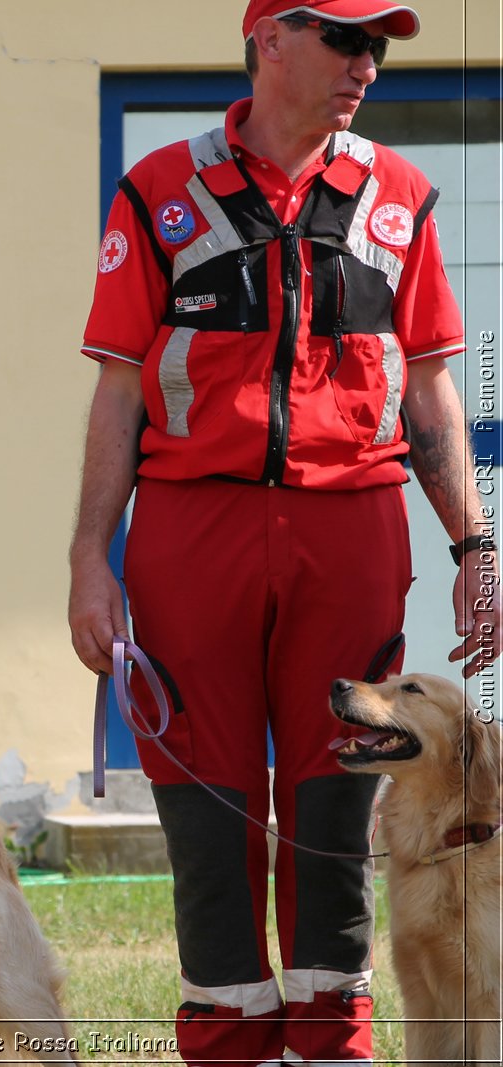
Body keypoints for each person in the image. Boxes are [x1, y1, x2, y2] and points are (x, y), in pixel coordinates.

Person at [68, 1, 497, 1063]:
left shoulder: (396, 197)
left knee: (335, 813)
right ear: (268, 37)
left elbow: (431, 388)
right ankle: (228, 1045)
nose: (367, 63)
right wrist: (90, 556)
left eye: (379, 46)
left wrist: (474, 547)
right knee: (208, 817)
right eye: (345, 39)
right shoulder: (160, 188)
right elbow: (119, 393)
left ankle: (330, 1043)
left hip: (350, 525)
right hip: (190, 528)